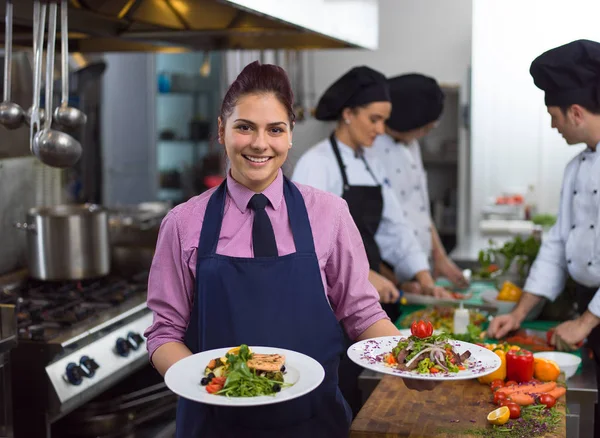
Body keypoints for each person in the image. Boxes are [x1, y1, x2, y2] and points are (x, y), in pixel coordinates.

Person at [144, 61, 429, 438]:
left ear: (290, 135)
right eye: (244, 127)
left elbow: (360, 312)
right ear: (221, 131)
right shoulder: (183, 223)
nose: (260, 143)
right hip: (214, 424)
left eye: (274, 129)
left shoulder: (329, 213)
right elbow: (164, 334)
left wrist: (406, 361)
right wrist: (208, 385)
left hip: (315, 422)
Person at [487, 39, 600, 427]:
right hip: (591, 306)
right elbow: (556, 246)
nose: (552, 125)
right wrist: (518, 313)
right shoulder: (575, 168)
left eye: (554, 115)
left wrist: (585, 321)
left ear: (575, 111)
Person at [292, 66, 452, 320]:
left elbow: (395, 226)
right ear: (348, 114)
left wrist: (423, 277)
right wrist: (363, 274)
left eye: (384, 121)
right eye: (374, 119)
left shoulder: (370, 162)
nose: (380, 129)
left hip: (368, 298)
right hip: (329, 301)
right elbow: (307, 242)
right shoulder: (316, 164)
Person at [370, 73, 468, 289]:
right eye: (427, 127)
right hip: (386, 276)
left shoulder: (410, 144)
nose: (426, 132)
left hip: (418, 268)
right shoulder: (370, 149)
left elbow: (420, 207)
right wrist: (395, 282)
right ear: (409, 121)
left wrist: (439, 256)